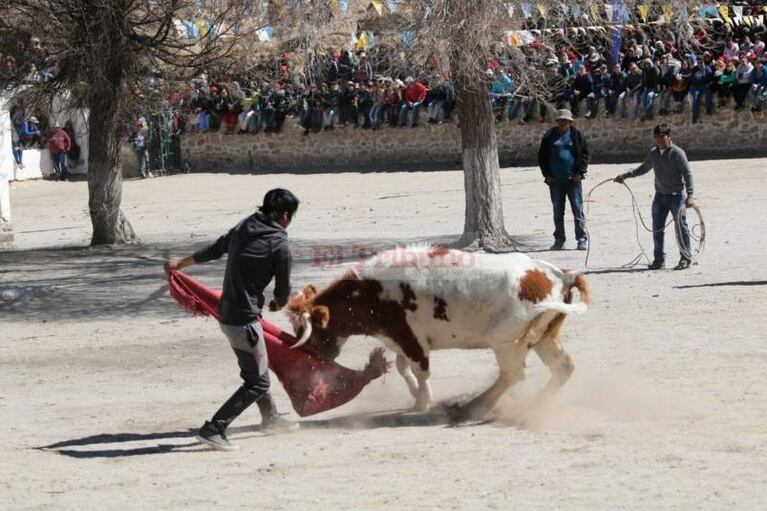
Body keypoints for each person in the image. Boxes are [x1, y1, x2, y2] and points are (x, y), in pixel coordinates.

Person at [164, 189, 301, 450]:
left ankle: (270, 417)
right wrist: (278, 302)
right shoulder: (279, 244)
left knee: (255, 369)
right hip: (243, 320)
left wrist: (181, 263)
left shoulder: (245, 226)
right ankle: (214, 428)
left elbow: (216, 249)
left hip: (226, 312)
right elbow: (283, 291)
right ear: (285, 216)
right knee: (257, 381)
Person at [614, 124, 695, 270]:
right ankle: (659, 259)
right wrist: (625, 175)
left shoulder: (678, 153)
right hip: (660, 197)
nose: (659, 139)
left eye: (662, 136)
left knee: (681, 228)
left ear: (668, 136)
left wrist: (690, 195)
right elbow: (643, 168)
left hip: (676, 197)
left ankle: (685, 257)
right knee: (657, 229)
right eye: (656, 136)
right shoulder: (653, 153)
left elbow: (687, 174)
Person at [537, 108, 590, 251]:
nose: (563, 123)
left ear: (570, 122)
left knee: (577, 209)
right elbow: (542, 157)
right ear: (557, 122)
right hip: (555, 181)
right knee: (558, 211)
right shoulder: (549, 136)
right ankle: (559, 240)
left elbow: (585, 154)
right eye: (560, 121)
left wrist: (580, 172)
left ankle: (581, 239)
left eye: (565, 121)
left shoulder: (576, 135)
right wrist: (546, 175)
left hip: (573, 180)